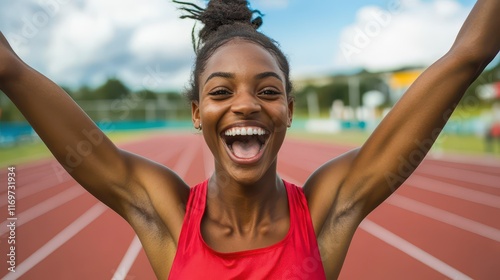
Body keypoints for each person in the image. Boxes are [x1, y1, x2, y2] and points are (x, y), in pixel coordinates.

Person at [0, 0, 498, 279]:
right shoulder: (167, 214)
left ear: (289, 109)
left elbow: (468, 56)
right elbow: (11, 72)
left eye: (267, 90)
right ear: (197, 113)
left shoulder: (328, 208)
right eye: (221, 91)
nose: (245, 104)